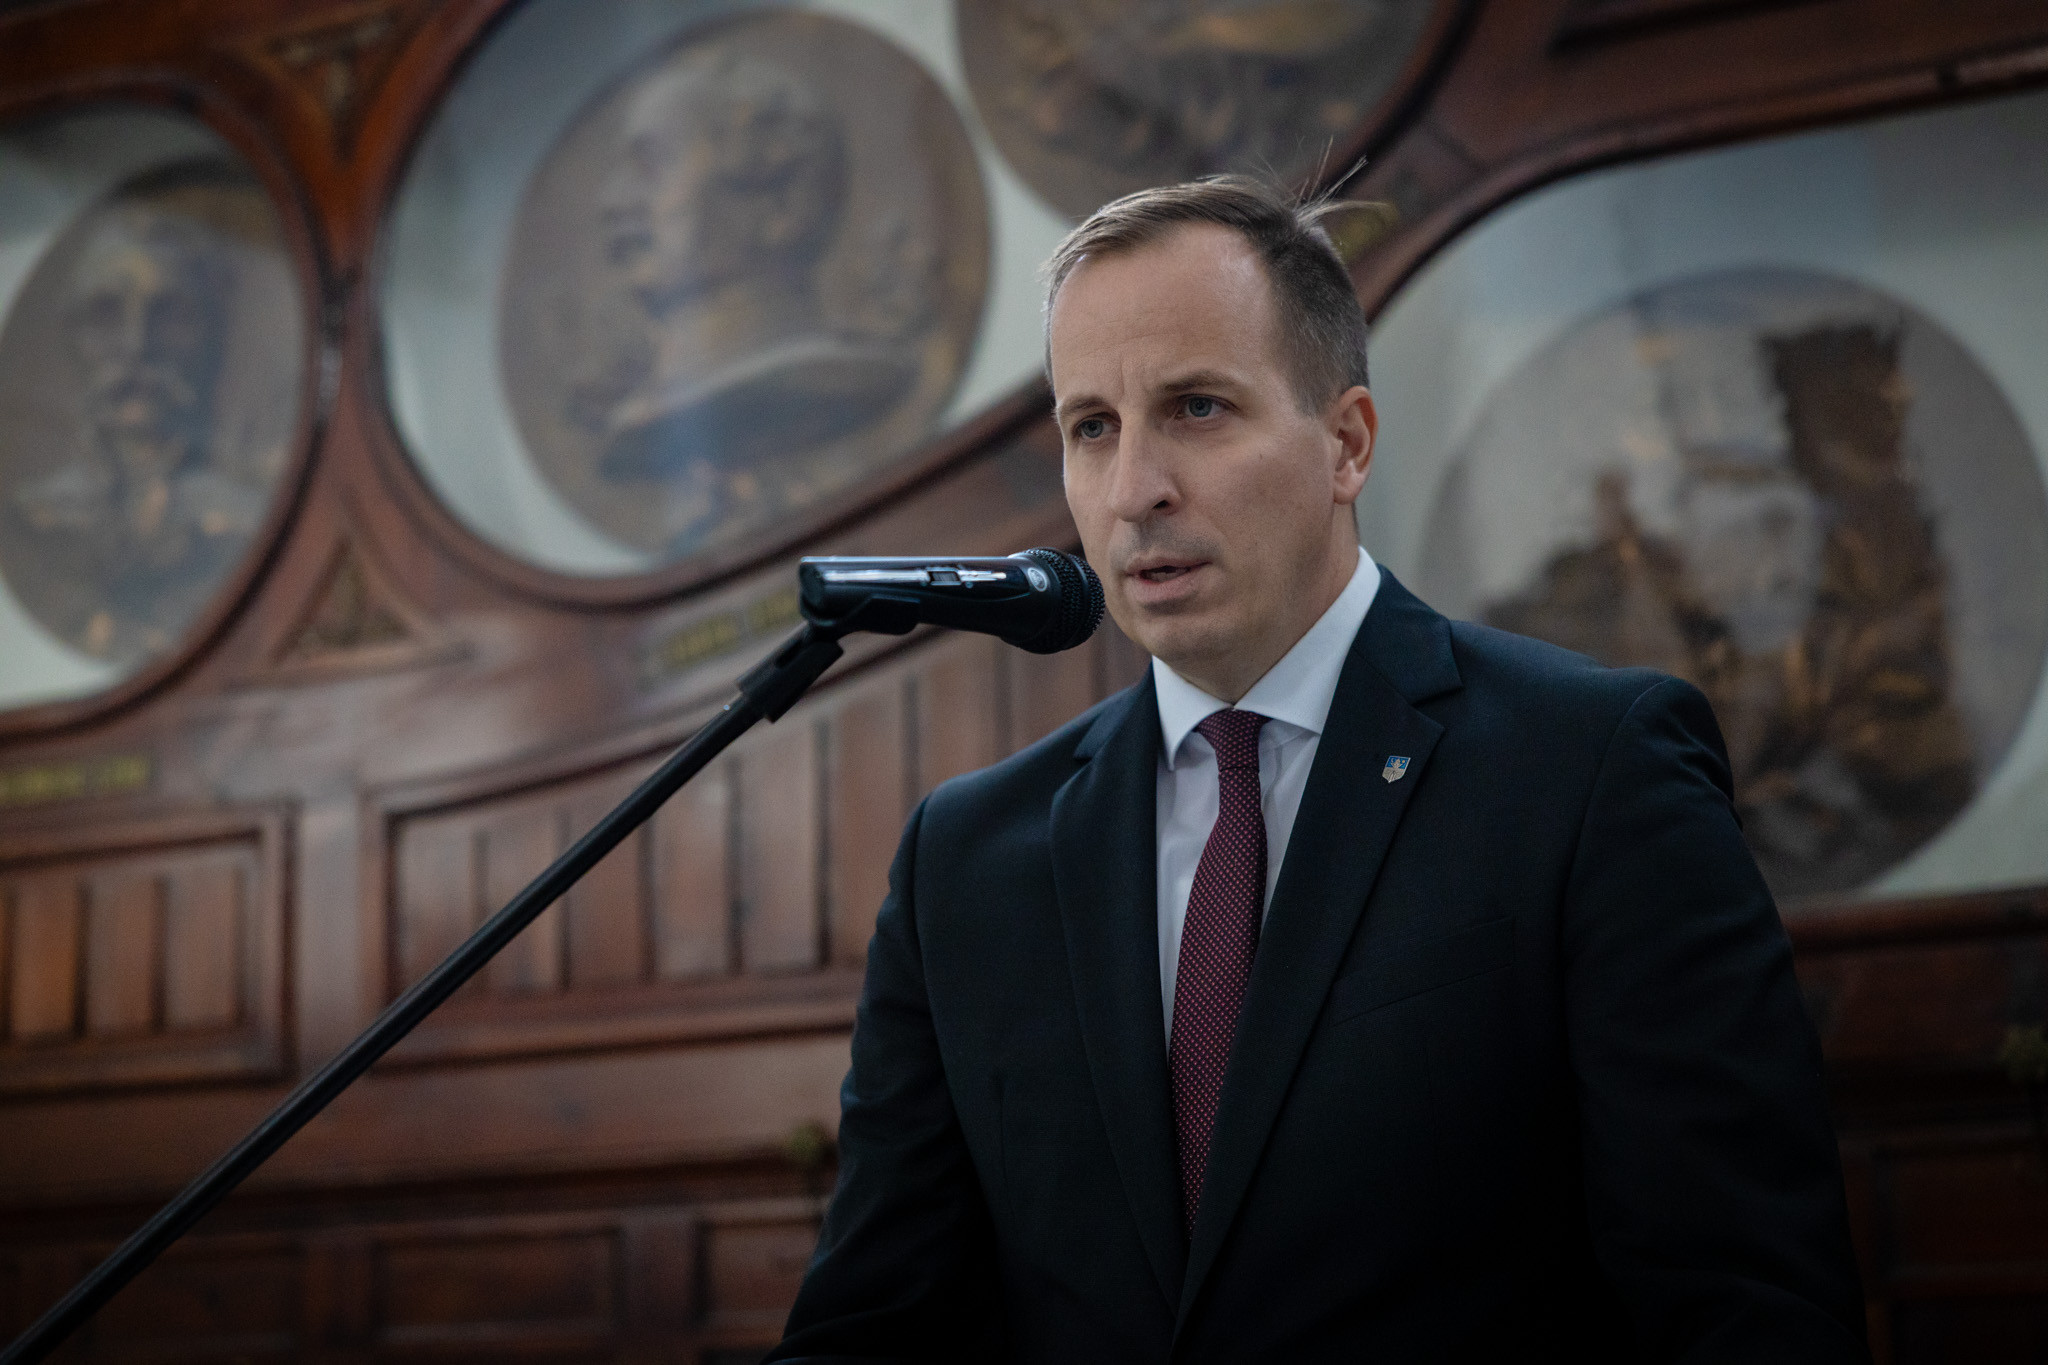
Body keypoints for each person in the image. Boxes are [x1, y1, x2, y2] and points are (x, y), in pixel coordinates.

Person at [769, 176, 1867, 1362]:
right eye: (1091, 426)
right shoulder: (966, 861)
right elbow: (870, 1328)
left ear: (1344, 445)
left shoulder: (1591, 772)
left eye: (1195, 408)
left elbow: (1746, 1304)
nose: (1133, 490)